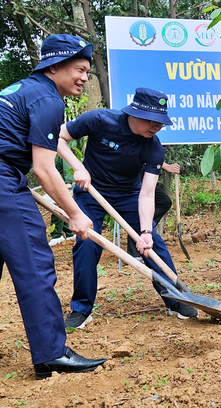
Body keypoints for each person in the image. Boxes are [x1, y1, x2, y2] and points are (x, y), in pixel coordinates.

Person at [0, 34, 106, 379]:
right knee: (35, 262)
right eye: (79, 69)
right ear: (55, 66)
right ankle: (51, 353)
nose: (84, 78)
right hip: (3, 182)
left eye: (88, 72)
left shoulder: (20, 91)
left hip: (5, 174)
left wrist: (76, 166)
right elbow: (44, 169)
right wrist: (76, 213)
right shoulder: (47, 100)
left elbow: (45, 148)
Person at [59, 87, 199, 330]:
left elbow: (146, 194)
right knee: (87, 243)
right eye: (152, 121)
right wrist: (77, 167)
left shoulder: (153, 147)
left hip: (129, 195)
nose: (157, 127)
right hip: (91, 191)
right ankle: (81, 309)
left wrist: (144, 232)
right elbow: (58, 137)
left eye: (161, 122)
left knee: (153, 242)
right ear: (135, 113)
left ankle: (176, 299)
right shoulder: (100, 120)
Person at [126, 162, 178, 263]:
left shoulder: (154, 150)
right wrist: (166, 166)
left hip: (144, 172)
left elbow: (153, 153)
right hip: (133, 173)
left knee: (165, 202)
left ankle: (144, 228)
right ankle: (134, 252)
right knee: (136, 211)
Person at [48, 156, 77, 246]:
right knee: (63, 209)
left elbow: (67, 168)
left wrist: (68, 182)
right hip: (54, 186)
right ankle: (70, 233)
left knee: (57, 210)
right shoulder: (50, 154)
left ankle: (56, 235)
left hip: (62, 187)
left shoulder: (59, 153)